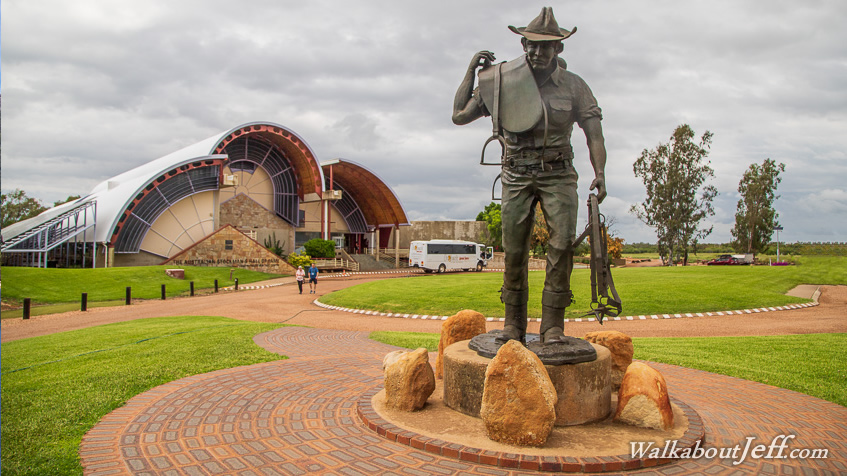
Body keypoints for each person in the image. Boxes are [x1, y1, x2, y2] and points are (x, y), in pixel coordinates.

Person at [452, 7, 607, 345]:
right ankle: (513, 325)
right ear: (523, 44)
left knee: (562, 245)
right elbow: (459, 116)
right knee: (515, 250)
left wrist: (600, 173)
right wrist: (470, 72)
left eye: (546, 46)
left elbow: (594, 133)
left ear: (559, 49)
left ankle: (553, 326)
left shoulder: (575, 86)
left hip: (559, 174)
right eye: (532, 45)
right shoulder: (501, 82)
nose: (538, 52)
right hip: (516, 175)